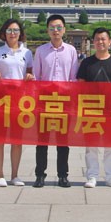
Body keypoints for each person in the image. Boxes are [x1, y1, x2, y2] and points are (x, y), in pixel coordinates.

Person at [78, 27, 111, 188]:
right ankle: (92, 176)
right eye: (97, 39)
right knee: (91, 145)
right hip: (91, 109)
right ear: (93, 42)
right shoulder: (86, 63)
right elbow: (80, 86)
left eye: (103, 39)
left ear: (109, 42)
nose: (100, 42)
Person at [33, 14, 79, 187]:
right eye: (52, 28)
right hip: (45, 100)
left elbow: (74, 77)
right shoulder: (41, 51)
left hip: (64, 101)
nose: (55, 31)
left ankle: (62, 175)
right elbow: (37, 77)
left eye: (59, 27)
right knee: (42, 140)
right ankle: (40, 175)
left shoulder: (71, 51)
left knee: (63, 140)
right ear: (47, 30)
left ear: (64, 30)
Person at [0, 18, 33, 187]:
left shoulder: (26, 53)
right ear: (4, 33)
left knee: (17, 139)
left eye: (15, 30)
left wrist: (30, 76)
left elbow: (30, 71)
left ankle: (15, 175)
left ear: (20, 33)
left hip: (19, 100)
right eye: (9, 30)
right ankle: (0, 174)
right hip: (0, 99)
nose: (12, 33)